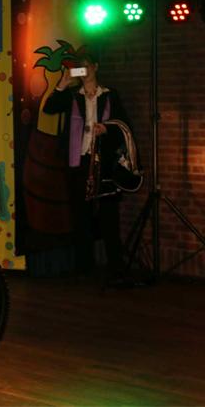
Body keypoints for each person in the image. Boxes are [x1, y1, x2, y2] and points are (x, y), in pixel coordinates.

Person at [43, 49, 130, 280]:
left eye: (87, 66)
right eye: (79, 67)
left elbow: (124, 126)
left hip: (105, 162)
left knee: (109, 215)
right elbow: (49, 108)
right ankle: (83, 266)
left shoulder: (110, 95)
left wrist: (106, 128)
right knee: (80, 215)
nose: (84, 71)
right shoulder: (72, 96)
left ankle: (115, 266)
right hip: (79, 162)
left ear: (95, 67)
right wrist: (63, 83)